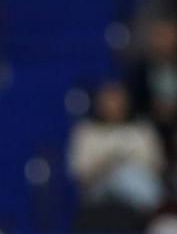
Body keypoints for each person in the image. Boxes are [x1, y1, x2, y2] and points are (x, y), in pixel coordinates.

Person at [67, 82, 165, 232]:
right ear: (99, 103)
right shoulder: (87, 131)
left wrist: (126, 163)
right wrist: (109, 162)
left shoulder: (142, 129)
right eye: (109, 100)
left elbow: (156, 165)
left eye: (118, 100)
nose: (113, 105)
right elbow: (79, 172)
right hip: (99, 190)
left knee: (129, 174)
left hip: (137, 193)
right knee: (121, 174)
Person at [128, 18, 177, 135]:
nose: (165, 41)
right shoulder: (139, 69)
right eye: (160, 36)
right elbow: (135, 102)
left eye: (170, 35)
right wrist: (154, 108)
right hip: (150, 124)